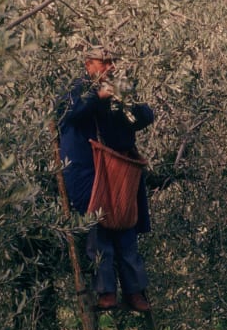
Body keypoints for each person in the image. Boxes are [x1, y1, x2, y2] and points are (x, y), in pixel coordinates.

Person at [57, 44, 155, 311]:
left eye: (112, 61)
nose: (110, 66)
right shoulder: (76, 89)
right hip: (89, 173)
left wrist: (126, 99)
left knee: (126, 231)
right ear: (88, 64)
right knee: (98, 232)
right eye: (104, 62)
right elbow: (69, 113)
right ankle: (107, 291)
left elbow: (145, 116)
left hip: (120, 173)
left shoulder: (119, 87)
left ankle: (135, 292)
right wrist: (99, 96)